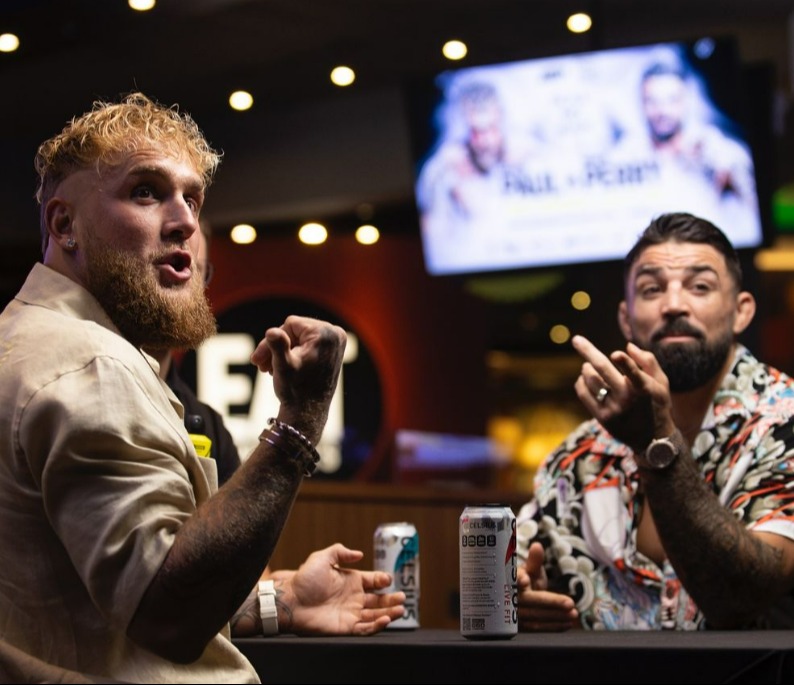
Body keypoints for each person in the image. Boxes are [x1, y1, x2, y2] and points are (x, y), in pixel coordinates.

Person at [0, 92, 404, 684]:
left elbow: (103, 597)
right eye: (145, 191)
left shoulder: (26, 340)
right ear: (65, 225)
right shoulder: (89, 364)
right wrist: (300, 420)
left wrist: (285, 602)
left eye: (191, 197)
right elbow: (167, 612)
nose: (186, 220)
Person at [516, 212, 794, 631]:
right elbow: (516, 567)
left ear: (741, 311)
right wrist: (520, 595)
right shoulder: (579, 456)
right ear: (627, 319)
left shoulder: (783, 422)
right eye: (651, 289)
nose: (674, 304)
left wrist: (655, 444)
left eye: (700, 286)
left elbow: (743, 596)